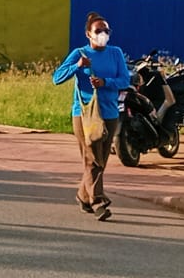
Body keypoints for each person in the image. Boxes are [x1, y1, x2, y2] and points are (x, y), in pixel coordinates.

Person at [52, 12, 129, 222]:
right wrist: (77, 66)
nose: (103, 34)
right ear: (88, 34)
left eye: (106, 30)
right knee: (92, 158)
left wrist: (105, 83)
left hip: (110, 112)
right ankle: (98, 202)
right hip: (85, 113)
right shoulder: (80, 53)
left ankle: (83, 195)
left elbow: (124, 79)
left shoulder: (115, 53)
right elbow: (56, 78)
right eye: (98, 31)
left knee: (100, 161)